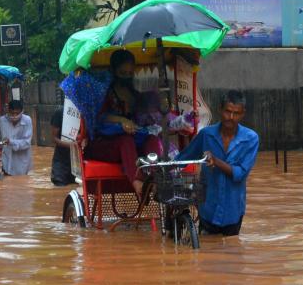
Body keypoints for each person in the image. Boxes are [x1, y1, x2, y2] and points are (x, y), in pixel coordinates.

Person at [177, 90, 259, 236]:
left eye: (236, 113)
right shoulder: (206, 135)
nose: (231, 117)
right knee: (208, 254)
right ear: (220, 110)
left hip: (233, 212)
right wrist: (159, 170)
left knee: (232, 253)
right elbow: (183, 158)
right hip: (207, 208)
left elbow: (240, 174)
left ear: (243, 113)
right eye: (228, 112)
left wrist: (216, 161)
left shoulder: (251, 139)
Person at [86, 49, 164, 197]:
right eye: (122, 73)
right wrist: (122, 121)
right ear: (114, 71)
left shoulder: (135, 95)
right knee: (125, 141)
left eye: (130, 73)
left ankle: (155, 179)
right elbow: (98, 118)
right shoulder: (104, 93)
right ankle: (137, 182)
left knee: (152, 140)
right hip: (105, 144)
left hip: (133, 144)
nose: (126, 77)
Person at [0, 100, 33, 176]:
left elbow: (27, 143)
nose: (14, 116)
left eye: (17, 113)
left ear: (22, 111)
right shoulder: (2, 121)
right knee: (8, 182)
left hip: (22, 161)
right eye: (12, 113)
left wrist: (11, 142)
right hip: (7, 159)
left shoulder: (27, 120)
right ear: (8, 111)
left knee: (22, 183)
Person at [50, 106, 76, 186]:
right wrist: (71, 145)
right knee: (59, 188)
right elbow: (54, 138)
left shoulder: (85, 113)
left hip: (77, 162)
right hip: (61, 162)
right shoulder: (60, 112)